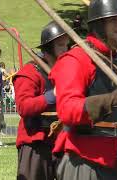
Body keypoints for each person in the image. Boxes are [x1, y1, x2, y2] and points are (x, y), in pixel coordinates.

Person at [50, 0, 117, 179]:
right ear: (99, 23)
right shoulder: (76, 59)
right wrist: (111, 100)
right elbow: (67, 110)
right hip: (86, 158)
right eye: (114, 20)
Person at [13, 21, 70, 180]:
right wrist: (53, 95)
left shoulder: (65, 72)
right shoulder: (30, 72)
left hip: (61, 142)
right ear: (49, 47)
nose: (65, 50)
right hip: (35, 144)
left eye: (67, 45)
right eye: (60, 45)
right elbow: (23, 107)